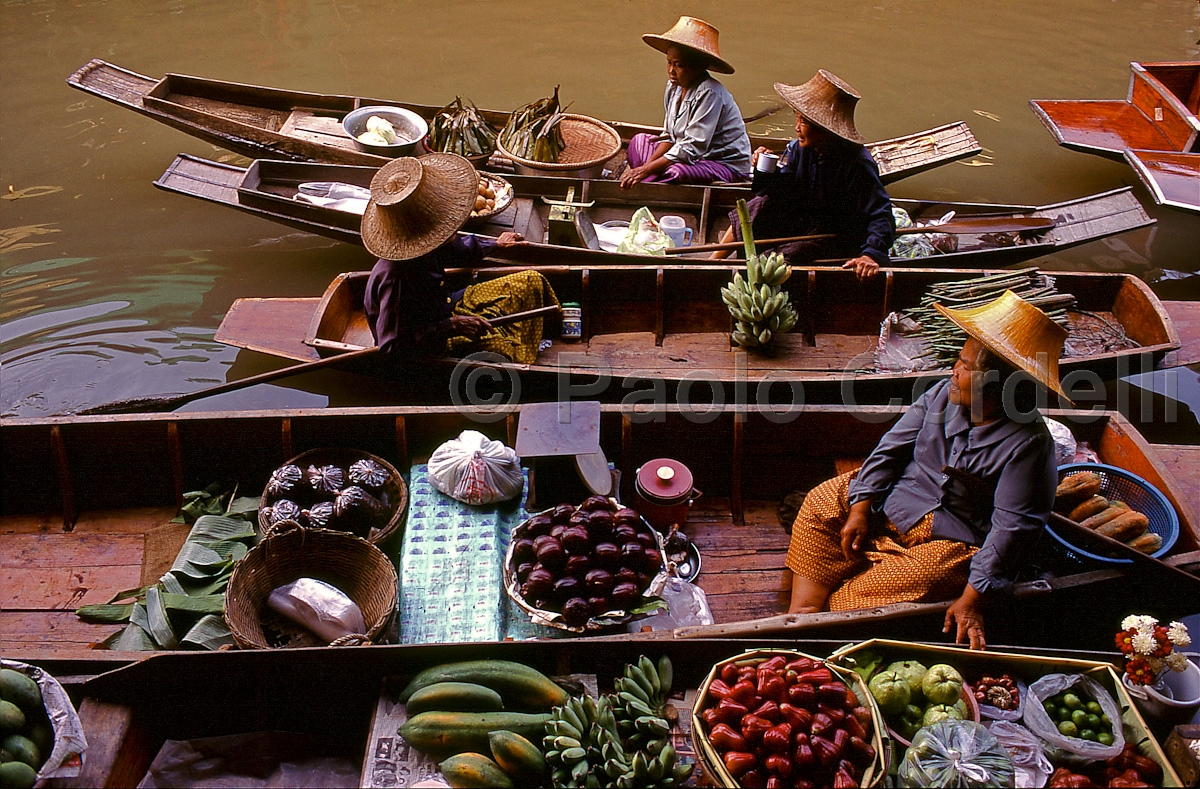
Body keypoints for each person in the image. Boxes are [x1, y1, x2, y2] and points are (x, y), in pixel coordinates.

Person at [784, 291, 1071, 650]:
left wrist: (971, 601)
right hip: (897, 500)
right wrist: (860, 508)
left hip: (950, 539)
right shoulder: (940, 395)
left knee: (926, 575)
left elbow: (1011, 531)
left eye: (967, 366)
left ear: (998, 387)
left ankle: (832, 615)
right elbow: (890, 450)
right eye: (959, 360)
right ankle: (805, 612)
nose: (954, 370)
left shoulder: (1029, 445)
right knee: (823, 499)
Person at [361, 154, 558, 364]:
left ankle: (549, 331)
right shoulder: (397, 279)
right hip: (431, 340)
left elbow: (457, 249)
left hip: (446, 305)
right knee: (501, 350)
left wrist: (495, 244)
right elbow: (392, 346)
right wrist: (451, 326)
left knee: (529, 280)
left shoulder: (429, 244)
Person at [711, 70, 894, 281]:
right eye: (797, 119)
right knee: (759, 204)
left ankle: (752, 272)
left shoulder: (857, 163)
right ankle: (714, 260)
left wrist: (870, 254)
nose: (797, 128)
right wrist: (766, 171)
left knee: (785, 256)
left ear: (825, 130)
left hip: (834, 235)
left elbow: (880, 215)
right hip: (805, 219)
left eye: (804, 123)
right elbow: (785, 191)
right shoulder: (799, 149)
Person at [619, 16, 752, 188]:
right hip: (687, 156)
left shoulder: (710, 92)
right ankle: (651, 181)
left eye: (678, 65)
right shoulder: (673, 86)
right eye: (669, 63)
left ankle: (648, 183)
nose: (671, 71)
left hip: (722, 164)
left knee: (677, 172)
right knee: (638, 141)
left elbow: (691, 148)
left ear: (698, 67)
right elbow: (670, 136)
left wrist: (646, 170)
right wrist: (647, 167)